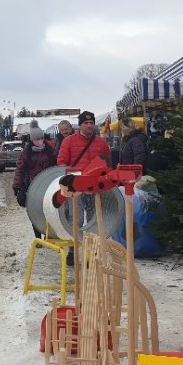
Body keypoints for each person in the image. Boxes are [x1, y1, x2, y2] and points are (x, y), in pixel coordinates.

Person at [57, 110, 112, 263]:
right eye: (86, 123)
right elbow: (61, 163)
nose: (89, 126)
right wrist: (69, 178)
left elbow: (108, 163)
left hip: (94, 186)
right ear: (80, 125)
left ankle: (92, 252)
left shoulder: (101, 142)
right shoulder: (68, 141)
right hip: (75, 186)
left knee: (95, 218)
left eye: (91, 123)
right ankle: (72, 250)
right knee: (77, 219)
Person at [12, 128, 57, 238]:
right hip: (32, 186)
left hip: (47, 186)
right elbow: (20, 170)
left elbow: (55, 166)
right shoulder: (26, 153)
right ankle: (37, 236)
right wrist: (17, 185)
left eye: (41, 138)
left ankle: (48, 234)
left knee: (48, 210)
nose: (39, 140)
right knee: (34, 211)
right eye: (36, 139)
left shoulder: (50, 151)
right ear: (32, 140)